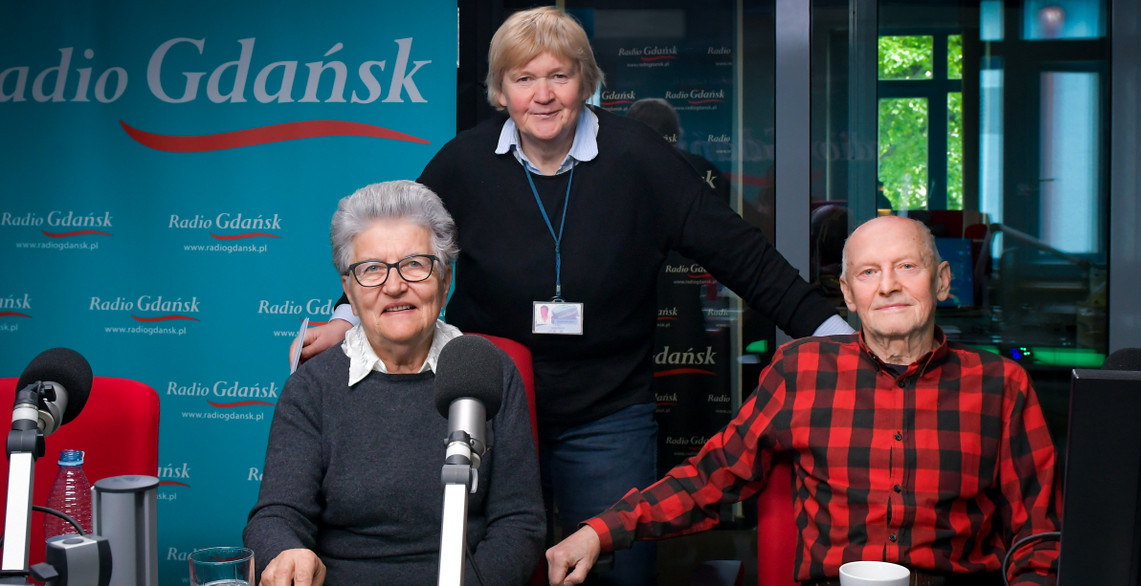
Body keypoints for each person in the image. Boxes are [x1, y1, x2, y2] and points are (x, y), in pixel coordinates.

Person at [292, 7, 853, 583]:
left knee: (618, 571)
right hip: (488, 406)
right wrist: (346, 320)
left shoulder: (642, 159)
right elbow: (393, 238)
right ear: (500, 90)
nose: (543, 95)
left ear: (585, 81)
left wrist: (843, 339)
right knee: (488, 566)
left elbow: (746, 257)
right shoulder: (464, 163)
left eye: (558, 75)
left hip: (607, 414)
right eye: (523, 78)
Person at [545, 215, 1062, 586]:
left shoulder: (1001, 386)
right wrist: (597, 532)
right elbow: (713, 477)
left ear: (943, 281)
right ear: (848, 292)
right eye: (868, 273)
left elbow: (1039, 536)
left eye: (907, 266)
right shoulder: (802, 372)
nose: (888, 286)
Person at [245, 180, 544, 586]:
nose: (394, 285)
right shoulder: (312, 387)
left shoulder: (490, 372)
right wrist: (284, 552)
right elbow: (277, 515)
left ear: (445, 281)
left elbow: (519, 524)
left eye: (415, 264)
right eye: (372, 269)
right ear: (348, 290)